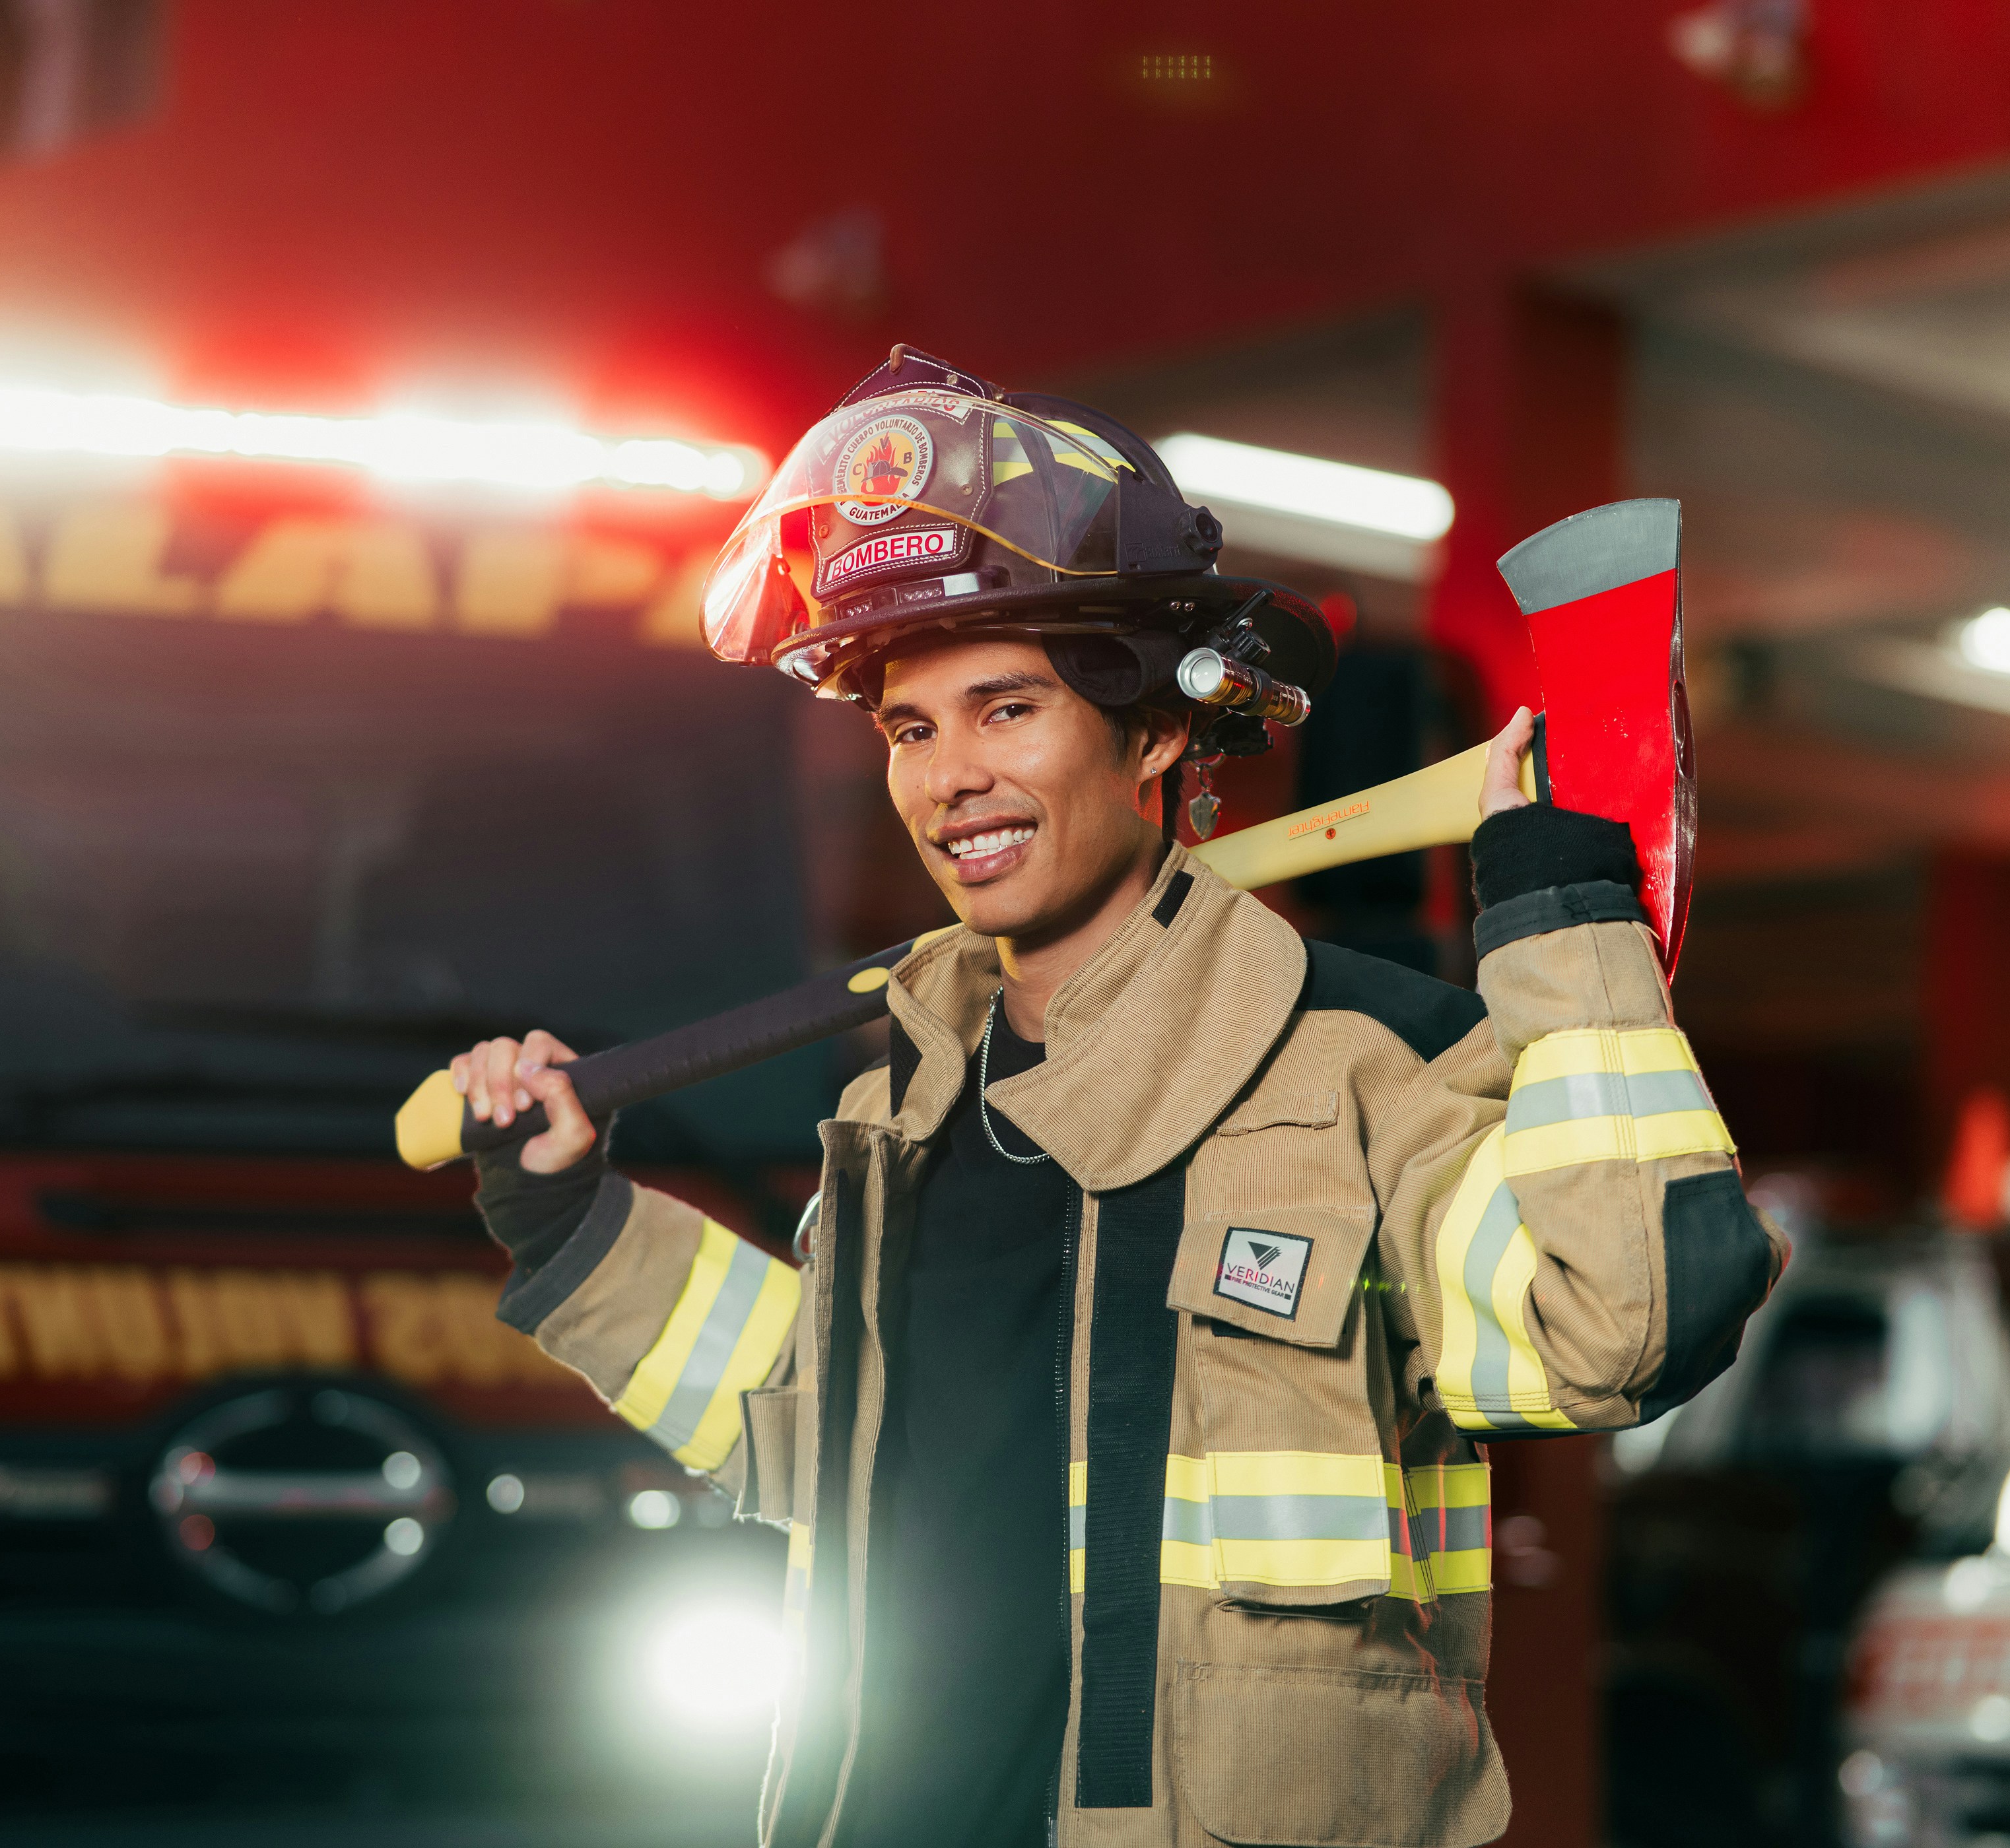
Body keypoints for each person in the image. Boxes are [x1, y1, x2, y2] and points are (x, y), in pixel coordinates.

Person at [448, 346, 1786, 1848]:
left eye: (1006, 707)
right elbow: (810, 1428)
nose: (953, 775)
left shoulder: (1364, 1061)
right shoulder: (903, 1112)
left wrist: (1562, 917)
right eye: (911, 725)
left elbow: (1627, 1319)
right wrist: (574, 1220)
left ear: (1153, 734)